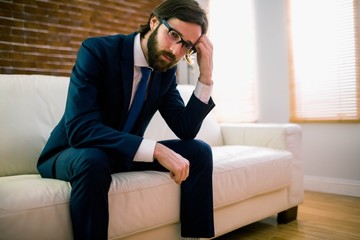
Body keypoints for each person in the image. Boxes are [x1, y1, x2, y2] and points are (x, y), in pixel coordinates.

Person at [37, 0, 215, 239]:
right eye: (173, 35)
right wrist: (157, 150)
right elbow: (80, 129)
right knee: (93, 159)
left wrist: (206, 75)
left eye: (187, 47)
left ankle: (196, 237)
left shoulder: (165, 70)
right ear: (154, 22)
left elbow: (186, 129)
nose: (175, 51)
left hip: (121, 155)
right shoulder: (97, 51)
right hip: (73, 151)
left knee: (199, 151)